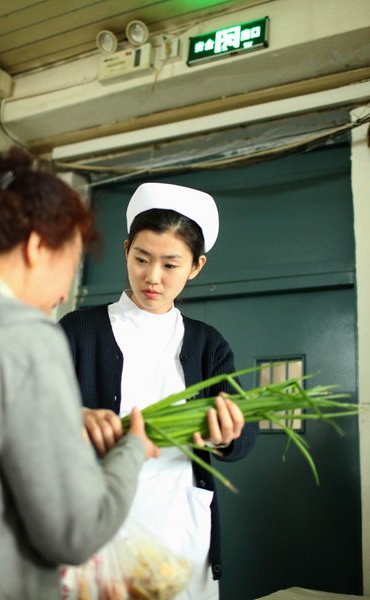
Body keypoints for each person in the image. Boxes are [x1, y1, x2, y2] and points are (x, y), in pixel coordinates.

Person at [0, 147, 159, 600]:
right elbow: (75, 530)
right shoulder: (26, 335)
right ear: (37, 246)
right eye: (69, 268)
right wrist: (132, 450)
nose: (60, 295)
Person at [60, 182, 259, 599]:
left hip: (181, 524)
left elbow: (243, 436)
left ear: (196, 267)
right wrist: (72, 418)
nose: (152, 277)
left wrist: (228, 433)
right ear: (126, 249)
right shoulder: (80, 330)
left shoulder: (208, 344)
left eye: (171, 265)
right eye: (141, 259)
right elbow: (31, 418)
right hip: (101, 523)